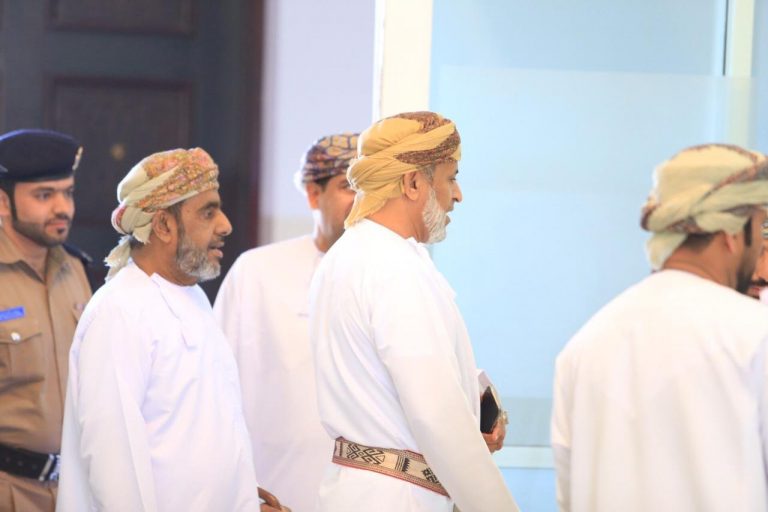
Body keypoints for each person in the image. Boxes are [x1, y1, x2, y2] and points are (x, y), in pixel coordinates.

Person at [308, 111, 519, 512]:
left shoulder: (353, 256)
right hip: (396, 497)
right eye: (451, 178)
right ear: (413, 183)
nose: (458, 195)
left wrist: (473, 400)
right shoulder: (392, 266)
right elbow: (437, 414)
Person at [56, 148, 287, 511]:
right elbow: (114, 468)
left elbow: (199, 441)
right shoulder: (120, 311)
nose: (225, 225)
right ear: (163, 225)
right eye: (208, 212)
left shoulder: (193, 297)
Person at [551, 143, 768, 512]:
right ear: (732, 233)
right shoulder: (754, 334)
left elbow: (569, 496)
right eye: (760, 229)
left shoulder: (583, 346)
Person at [214, 133, 357, 512]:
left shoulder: (392, 277)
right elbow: (215, 394)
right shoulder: (257, 272)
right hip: (273, 492)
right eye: (348, 186)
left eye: (370, 188)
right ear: (313, 194)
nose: (362, 201)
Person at [0, 129, 91, 512]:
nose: (62, 207)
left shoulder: (76, 269)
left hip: (72, 489)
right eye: (44, 195)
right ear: (3, 202)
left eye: (67, 193)